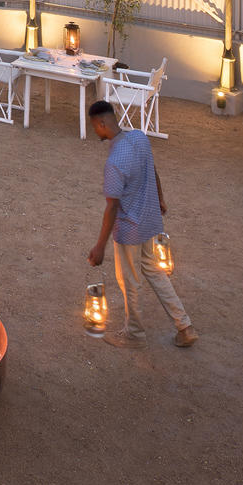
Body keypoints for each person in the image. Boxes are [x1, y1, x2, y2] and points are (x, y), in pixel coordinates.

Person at [85, 100, 197, 348]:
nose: (95, 132)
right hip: (149, 219)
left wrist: (100, 246)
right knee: (154, 271)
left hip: (129, 228)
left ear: (103, 123)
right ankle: (184, 326)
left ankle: (134, 334)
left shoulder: (114, 162)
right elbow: (152, 168)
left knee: (129, 281)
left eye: (95, 127)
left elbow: (112, 206)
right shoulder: (140, 137)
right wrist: (160, 197)